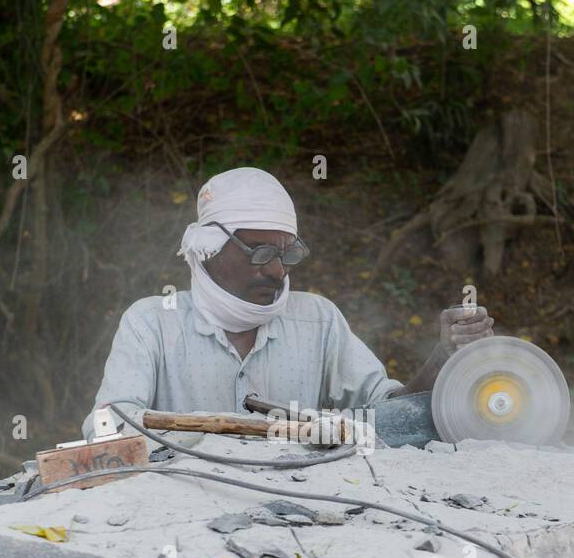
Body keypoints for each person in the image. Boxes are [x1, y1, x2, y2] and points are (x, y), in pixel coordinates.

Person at [81, 166, 493, 438]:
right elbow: (107, 425)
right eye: (259, 253)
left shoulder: (318, 320)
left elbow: (387, 417)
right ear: (210, 249)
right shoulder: (152, 322)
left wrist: (444, 358)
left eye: (286, 254)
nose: (278, 272)